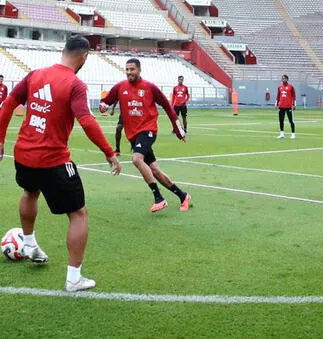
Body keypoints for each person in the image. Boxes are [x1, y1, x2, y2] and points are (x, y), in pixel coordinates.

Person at [0, 36, 121, 292]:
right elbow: (86, 120)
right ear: (84, 57)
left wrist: (0, 141)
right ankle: (74, 278)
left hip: (23, 155)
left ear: (62, 51)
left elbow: (8, 104)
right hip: (53, 160)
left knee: (29, 192)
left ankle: (30, 244)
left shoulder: (35, 75)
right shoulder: (75, 84)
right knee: (78, 214)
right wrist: (109, 152)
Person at [99, 58, 191, 213]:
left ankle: (159, 198)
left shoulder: (150, 87)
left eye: (132, 69)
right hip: (132, 135)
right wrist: (103, 106)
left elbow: (168, 107)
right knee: (154, 170)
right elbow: (106, 101)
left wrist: (178, 129)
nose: (129, 72)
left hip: (148, 130)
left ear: (139, 70)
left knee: (136, 159)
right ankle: (183, 196)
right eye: (127, 69)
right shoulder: (120, 87)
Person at [276, 74, 296, 139]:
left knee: (291, 121)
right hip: (281, 106)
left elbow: (294, 96)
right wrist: (276, 104)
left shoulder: (291, 87)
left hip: (289, 106)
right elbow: (278, 96)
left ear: (287, 79)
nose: (283, 79)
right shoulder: (279, 87)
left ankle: (293, 134)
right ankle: (282, 134)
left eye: (284, 78)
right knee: (281, 120)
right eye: (282, 78)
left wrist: (294, 104)